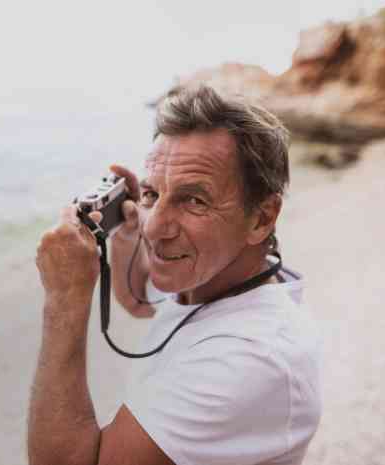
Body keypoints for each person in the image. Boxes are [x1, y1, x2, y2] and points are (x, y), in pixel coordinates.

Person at [29, 84, 322, 465]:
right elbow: (139, 300)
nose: (156, 228)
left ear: (262, 217)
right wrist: (127, 238)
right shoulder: (218, 277)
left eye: (193, 200)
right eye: (152, 194)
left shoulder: (248, 359)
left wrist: (64, 299)